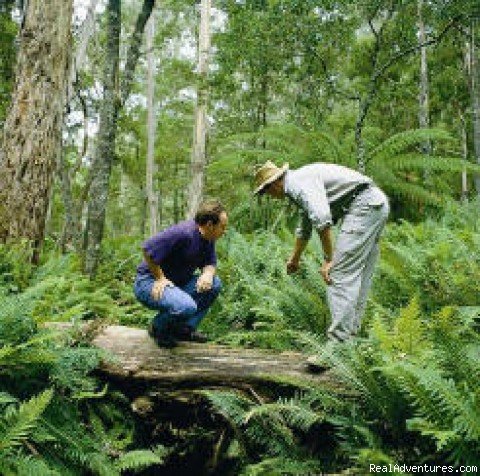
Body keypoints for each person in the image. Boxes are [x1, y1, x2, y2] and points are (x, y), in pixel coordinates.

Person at [253, 161, 389, 348]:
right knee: (359, 275)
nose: (268, 196)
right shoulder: (298, 181)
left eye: (265, 191)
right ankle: (351, 339)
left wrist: (329, 260)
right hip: (375, 204)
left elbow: (322, 219)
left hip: (363, 205)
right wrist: (295, 258)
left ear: (274, 183)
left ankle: (338, 347)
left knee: (338, 274)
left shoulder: (298, 184)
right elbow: (305, 226)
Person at [134, 199, 228, 348]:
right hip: (148, 282)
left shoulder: (208, 239)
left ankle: (184, 330)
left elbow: (210, 263)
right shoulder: (183, 233)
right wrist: (160, 278)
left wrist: (207, 274)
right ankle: (158, 328)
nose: (225, 231)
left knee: (214, 284)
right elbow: (147, 248)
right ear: (210, 225)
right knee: (186, 306)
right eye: (222, 227)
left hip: (176, 284)